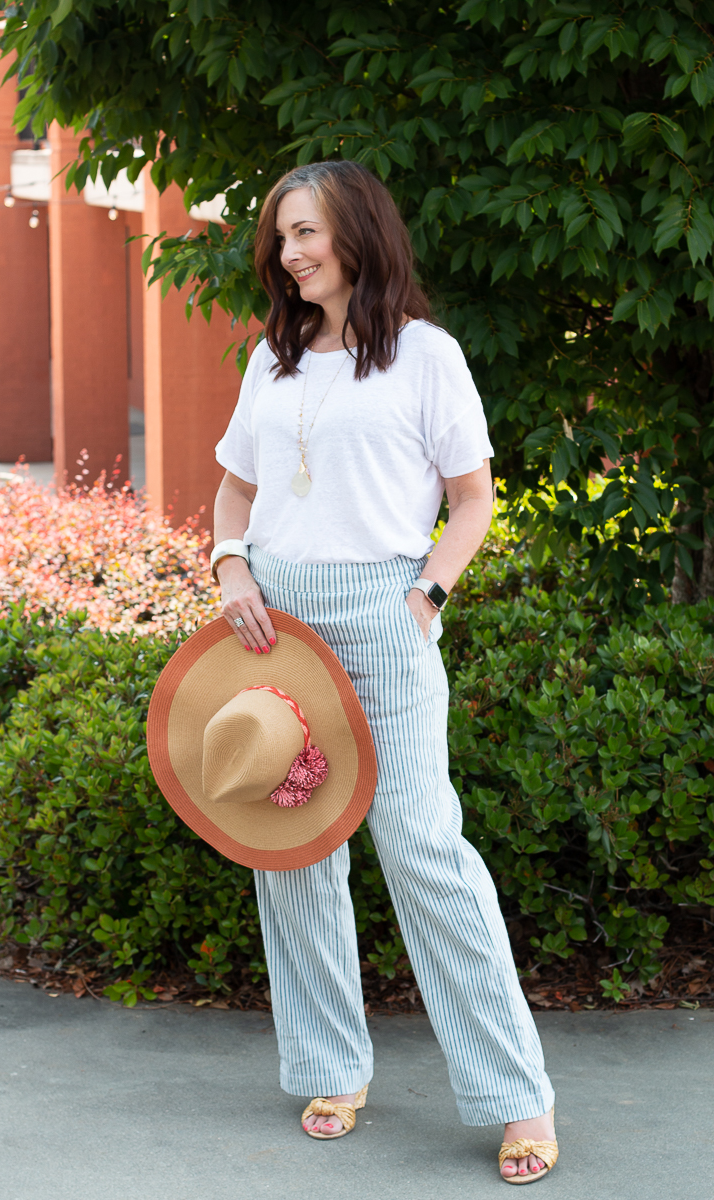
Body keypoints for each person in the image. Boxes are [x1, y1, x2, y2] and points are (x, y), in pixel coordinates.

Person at [209, 160, 558, 1184]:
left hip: (381, 609)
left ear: (358, 233)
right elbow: (233, 492)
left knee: (419, 844)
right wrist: (230, 563)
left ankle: (514, 1095)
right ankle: (329, 1064)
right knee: (292, 843)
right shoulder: (270, 363)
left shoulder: (424, 356)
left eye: (307, 232)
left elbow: (473, 496)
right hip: (272, 615)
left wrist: (431, 591)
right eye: (280, 239)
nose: (291, 253)